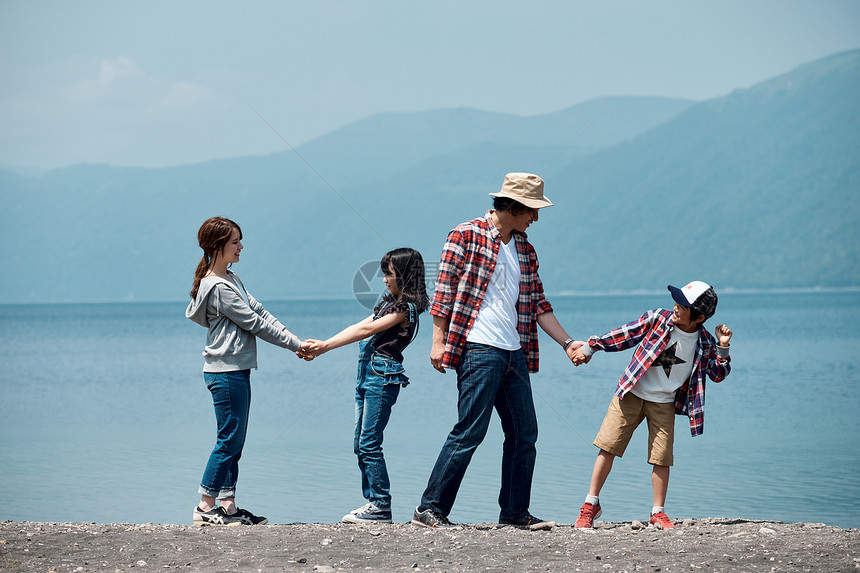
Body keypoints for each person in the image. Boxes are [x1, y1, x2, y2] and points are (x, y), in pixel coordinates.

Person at [411, 173, 583, 529]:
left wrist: (567, 344)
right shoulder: (464, 235)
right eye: (532, 211)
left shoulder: (524, 248)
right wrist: (437, 341)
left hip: (513, 350)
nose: (535, 218)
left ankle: (515, 513)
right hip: (477, 348)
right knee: (470, 430)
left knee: (525, 433)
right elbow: (443, 292)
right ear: (514, 207)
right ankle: (430, 509)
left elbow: (538, 304)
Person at [570, 281, 733, 530]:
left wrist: (723, 346)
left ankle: (658, 512)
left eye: (683, 305)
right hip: (631, 393)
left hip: (665, 402)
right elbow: (626, 334)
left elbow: (718, 374)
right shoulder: (659, 318)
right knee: (608, 446)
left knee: (662, 457)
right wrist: (590, 347)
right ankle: (590, 504)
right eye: (677, 301)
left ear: (699, 317)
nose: (676, 307)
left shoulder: (705, 342)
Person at [186, 216, 308, 526]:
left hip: (236, 370)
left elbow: (260, 311)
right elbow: (252, 324)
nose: (241, 246)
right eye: (235, 242)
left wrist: (296, 339)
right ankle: (204, 506)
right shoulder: (217, 287)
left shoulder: (232, 278)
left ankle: (227, 505)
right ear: (218, 247)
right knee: (229, 439)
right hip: (225, 372)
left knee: (235, 439)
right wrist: (295, 346)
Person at [302, 248, 429, 524]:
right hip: (367, 376)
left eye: (390, 274)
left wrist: (324, 347)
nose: (384, 279)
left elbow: (365, 332)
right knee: (360, 443)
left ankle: (381, 505)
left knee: (370, 443)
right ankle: (372, 501)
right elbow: (357, 326)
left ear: (405, 277)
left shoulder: (404, 310)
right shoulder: (387, 305)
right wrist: (323, 345)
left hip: (382, 377)